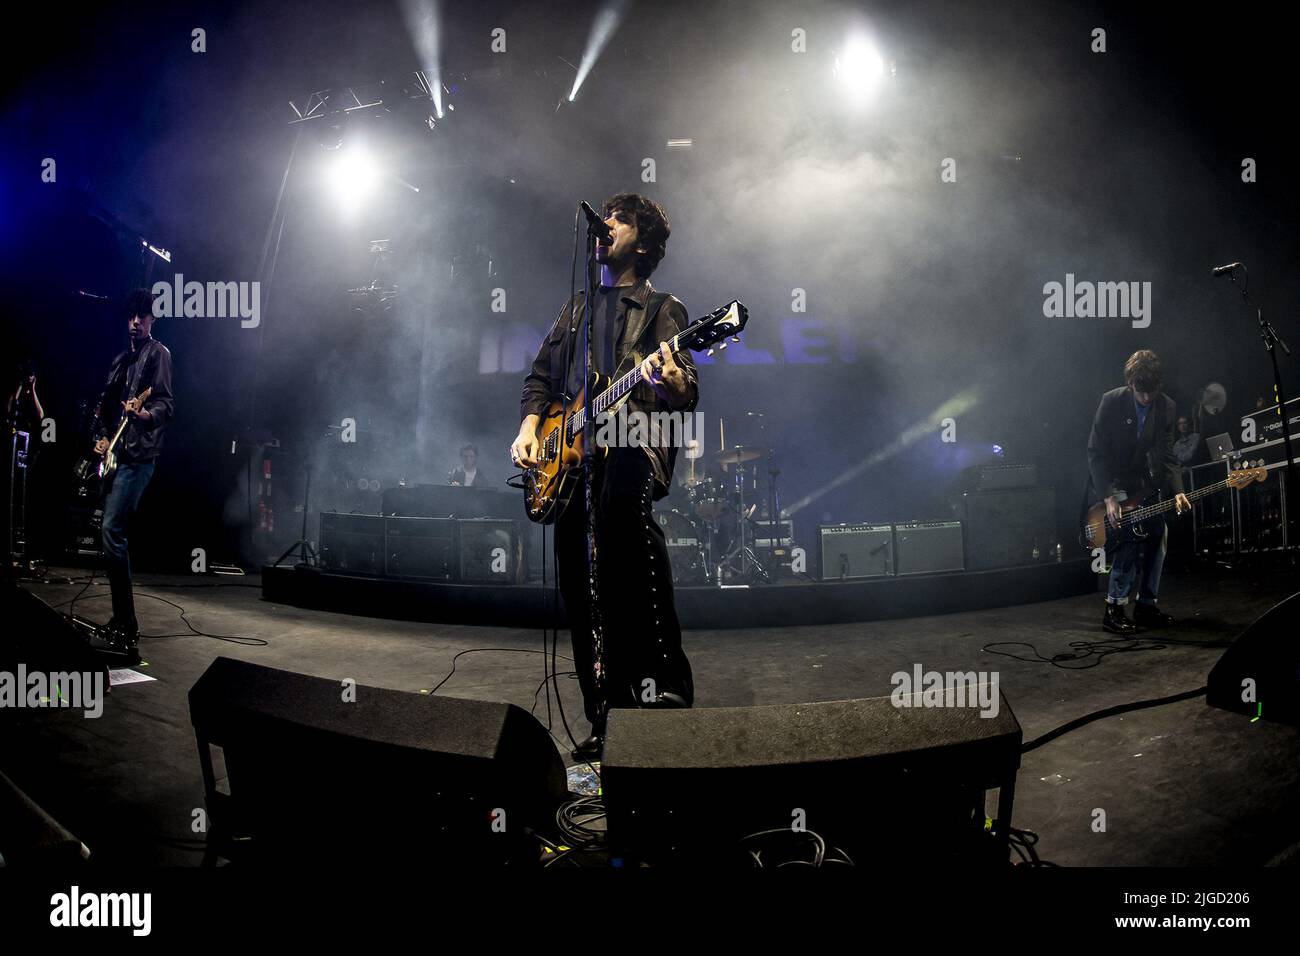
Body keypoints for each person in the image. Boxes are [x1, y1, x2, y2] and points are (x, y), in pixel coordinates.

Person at [511, 193, 698, 761]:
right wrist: (529, 431)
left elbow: (686, 387)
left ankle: (666, 687)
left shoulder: (663, 307)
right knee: (579, 579)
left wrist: (674, 386)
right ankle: (605, 714)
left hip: (633, 440)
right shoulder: (575, 309)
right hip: (569, 457)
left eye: (618, 219)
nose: (605, 226)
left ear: (641, 244)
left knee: (625, 524)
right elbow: (541, 378)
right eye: (605, 218)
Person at [91, 289, 174, 652]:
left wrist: (143, 414)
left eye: (143, 316)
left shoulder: (159, 355)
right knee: (109, 536)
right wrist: (101, 439)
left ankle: (127, 623)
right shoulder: (120, 361)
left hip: (140, 457)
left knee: (113, 531)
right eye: (132, 316)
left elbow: (166, 404)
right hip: (117, 455)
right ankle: (120, 619)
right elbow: (103, 410)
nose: (136, 322)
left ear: (152, 320)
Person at [1086, 349, 1190, 634]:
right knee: (1129, 532)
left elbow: (1168, 454)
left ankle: (1146, 606)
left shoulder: (1166, 406)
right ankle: (1114, 608)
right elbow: (1095, 452)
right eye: (1141, 392)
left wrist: (1178, 490)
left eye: (1152, 392)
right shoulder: (1111, 402)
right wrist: (1108, 496)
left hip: (1140, 479)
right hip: (1112, 477)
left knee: (1158, 531)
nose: (1146, 398)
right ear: (1131, 383)